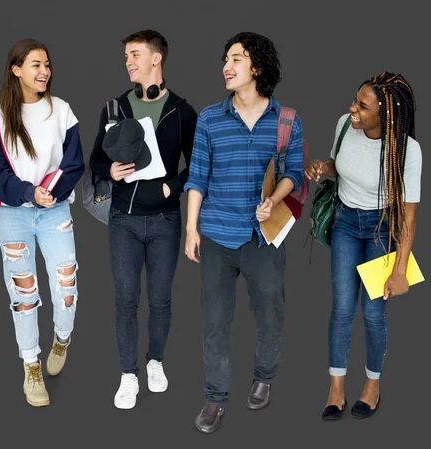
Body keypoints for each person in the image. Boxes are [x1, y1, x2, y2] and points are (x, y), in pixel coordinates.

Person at [184, 32, 304, 433]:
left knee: (270, 315)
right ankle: (215, 399)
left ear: (258, 68)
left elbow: (293, 174)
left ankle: (264, 378)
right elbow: (197, 177)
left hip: (264, 238)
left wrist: (276, 198)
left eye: (236, 58)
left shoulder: (287, 120)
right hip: (217, 234)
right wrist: (190, 229)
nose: (227, 66)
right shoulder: (209, 118)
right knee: (215, 322)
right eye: (225, 59)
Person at [89, 29, 197, 409]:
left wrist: (172, 187)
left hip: (165, 220)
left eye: (135, 55)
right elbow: (96, 160)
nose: (129, 62)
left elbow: (198, 166)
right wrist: (110, 172)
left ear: (157, 59)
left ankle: (154, 362)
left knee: (161, 300)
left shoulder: (182, 111)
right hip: (123, 220)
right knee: (124, 299)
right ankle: (128, 374)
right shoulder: (114, 108)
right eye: (126, 57)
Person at [305, 72, 422, 420]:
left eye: (362, 106)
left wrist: (400, 270)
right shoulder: (345, 125)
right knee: (341, 309)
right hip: (344, 223)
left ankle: (372, 385)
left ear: (385, 116)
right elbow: (339, 169)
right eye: (355, 100)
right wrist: (322, 168)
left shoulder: (406, 151)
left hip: (381, 229)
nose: (351, 108)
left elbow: (409, 219)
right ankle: (336, 387)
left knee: (372, 312)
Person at [0, 38, 84, 407]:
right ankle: (31, 365)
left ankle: (62, 338)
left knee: (66, 285)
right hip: (13, 214)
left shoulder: (62, 111)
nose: (44, 72)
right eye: (36, 65)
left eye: (47, 65)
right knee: (22, 295)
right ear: (16, 69)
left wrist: (48, 193)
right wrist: (27, 192)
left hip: (54, 209)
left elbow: (74, 164)